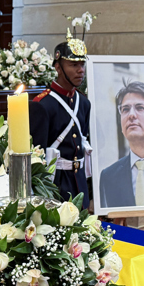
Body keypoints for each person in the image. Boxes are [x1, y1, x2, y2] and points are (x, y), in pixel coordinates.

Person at [30, 28, 92, 209]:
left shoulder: (84, 102)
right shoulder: (42, 104)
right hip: (55, 186)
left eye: (82, 64)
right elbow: (36, 156)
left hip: (79, 183)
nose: (80, 70)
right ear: (58, 67)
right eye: (73, 65)